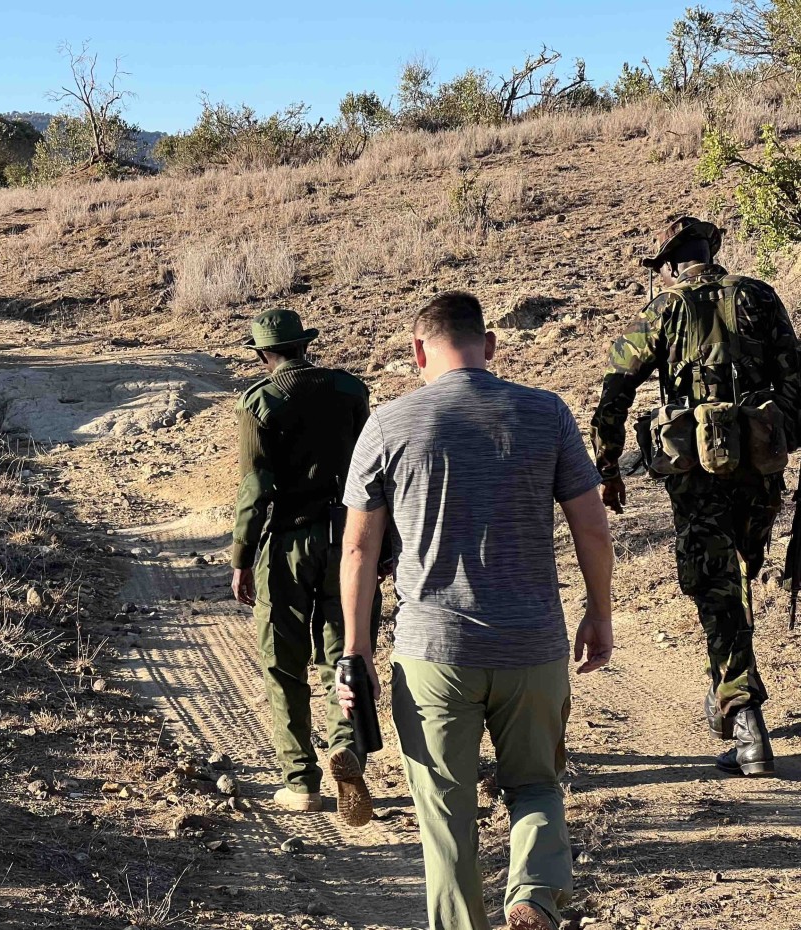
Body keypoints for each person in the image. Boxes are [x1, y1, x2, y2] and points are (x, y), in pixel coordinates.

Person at [337, 291, 615, 930]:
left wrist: (356, 651)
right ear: (489, 346)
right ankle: (535, 895)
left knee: (445, 816)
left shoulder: (388, 424)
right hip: (532, 648)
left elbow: (357, 548)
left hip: (433, 652)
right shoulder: (545, 413)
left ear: (417, 352)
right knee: (537, 786)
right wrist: (599, 613)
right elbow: (592, 529)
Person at [590, 214, 801, 777]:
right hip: (761, 472)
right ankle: (730, 690)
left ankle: (745, 717)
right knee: (736, 577)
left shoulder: (665, 309)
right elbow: (795, 382)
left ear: (670, 263)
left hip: (696, 477)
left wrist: (608, 464)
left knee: (715, 588)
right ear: (711, 250)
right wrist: (774, 439)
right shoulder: (760, 296)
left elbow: (616, 388)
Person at [229, 306, 378, 824]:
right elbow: (372, 471)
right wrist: (387, 547)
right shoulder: (350, 391)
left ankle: (301, 782)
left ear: (264, 354)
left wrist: (242, 557)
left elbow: (256, 489)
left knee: (282, 661)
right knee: (345, 650)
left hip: (289, 541)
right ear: (304, 345)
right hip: (349, 539)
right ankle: (349, 751)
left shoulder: (260, 402)